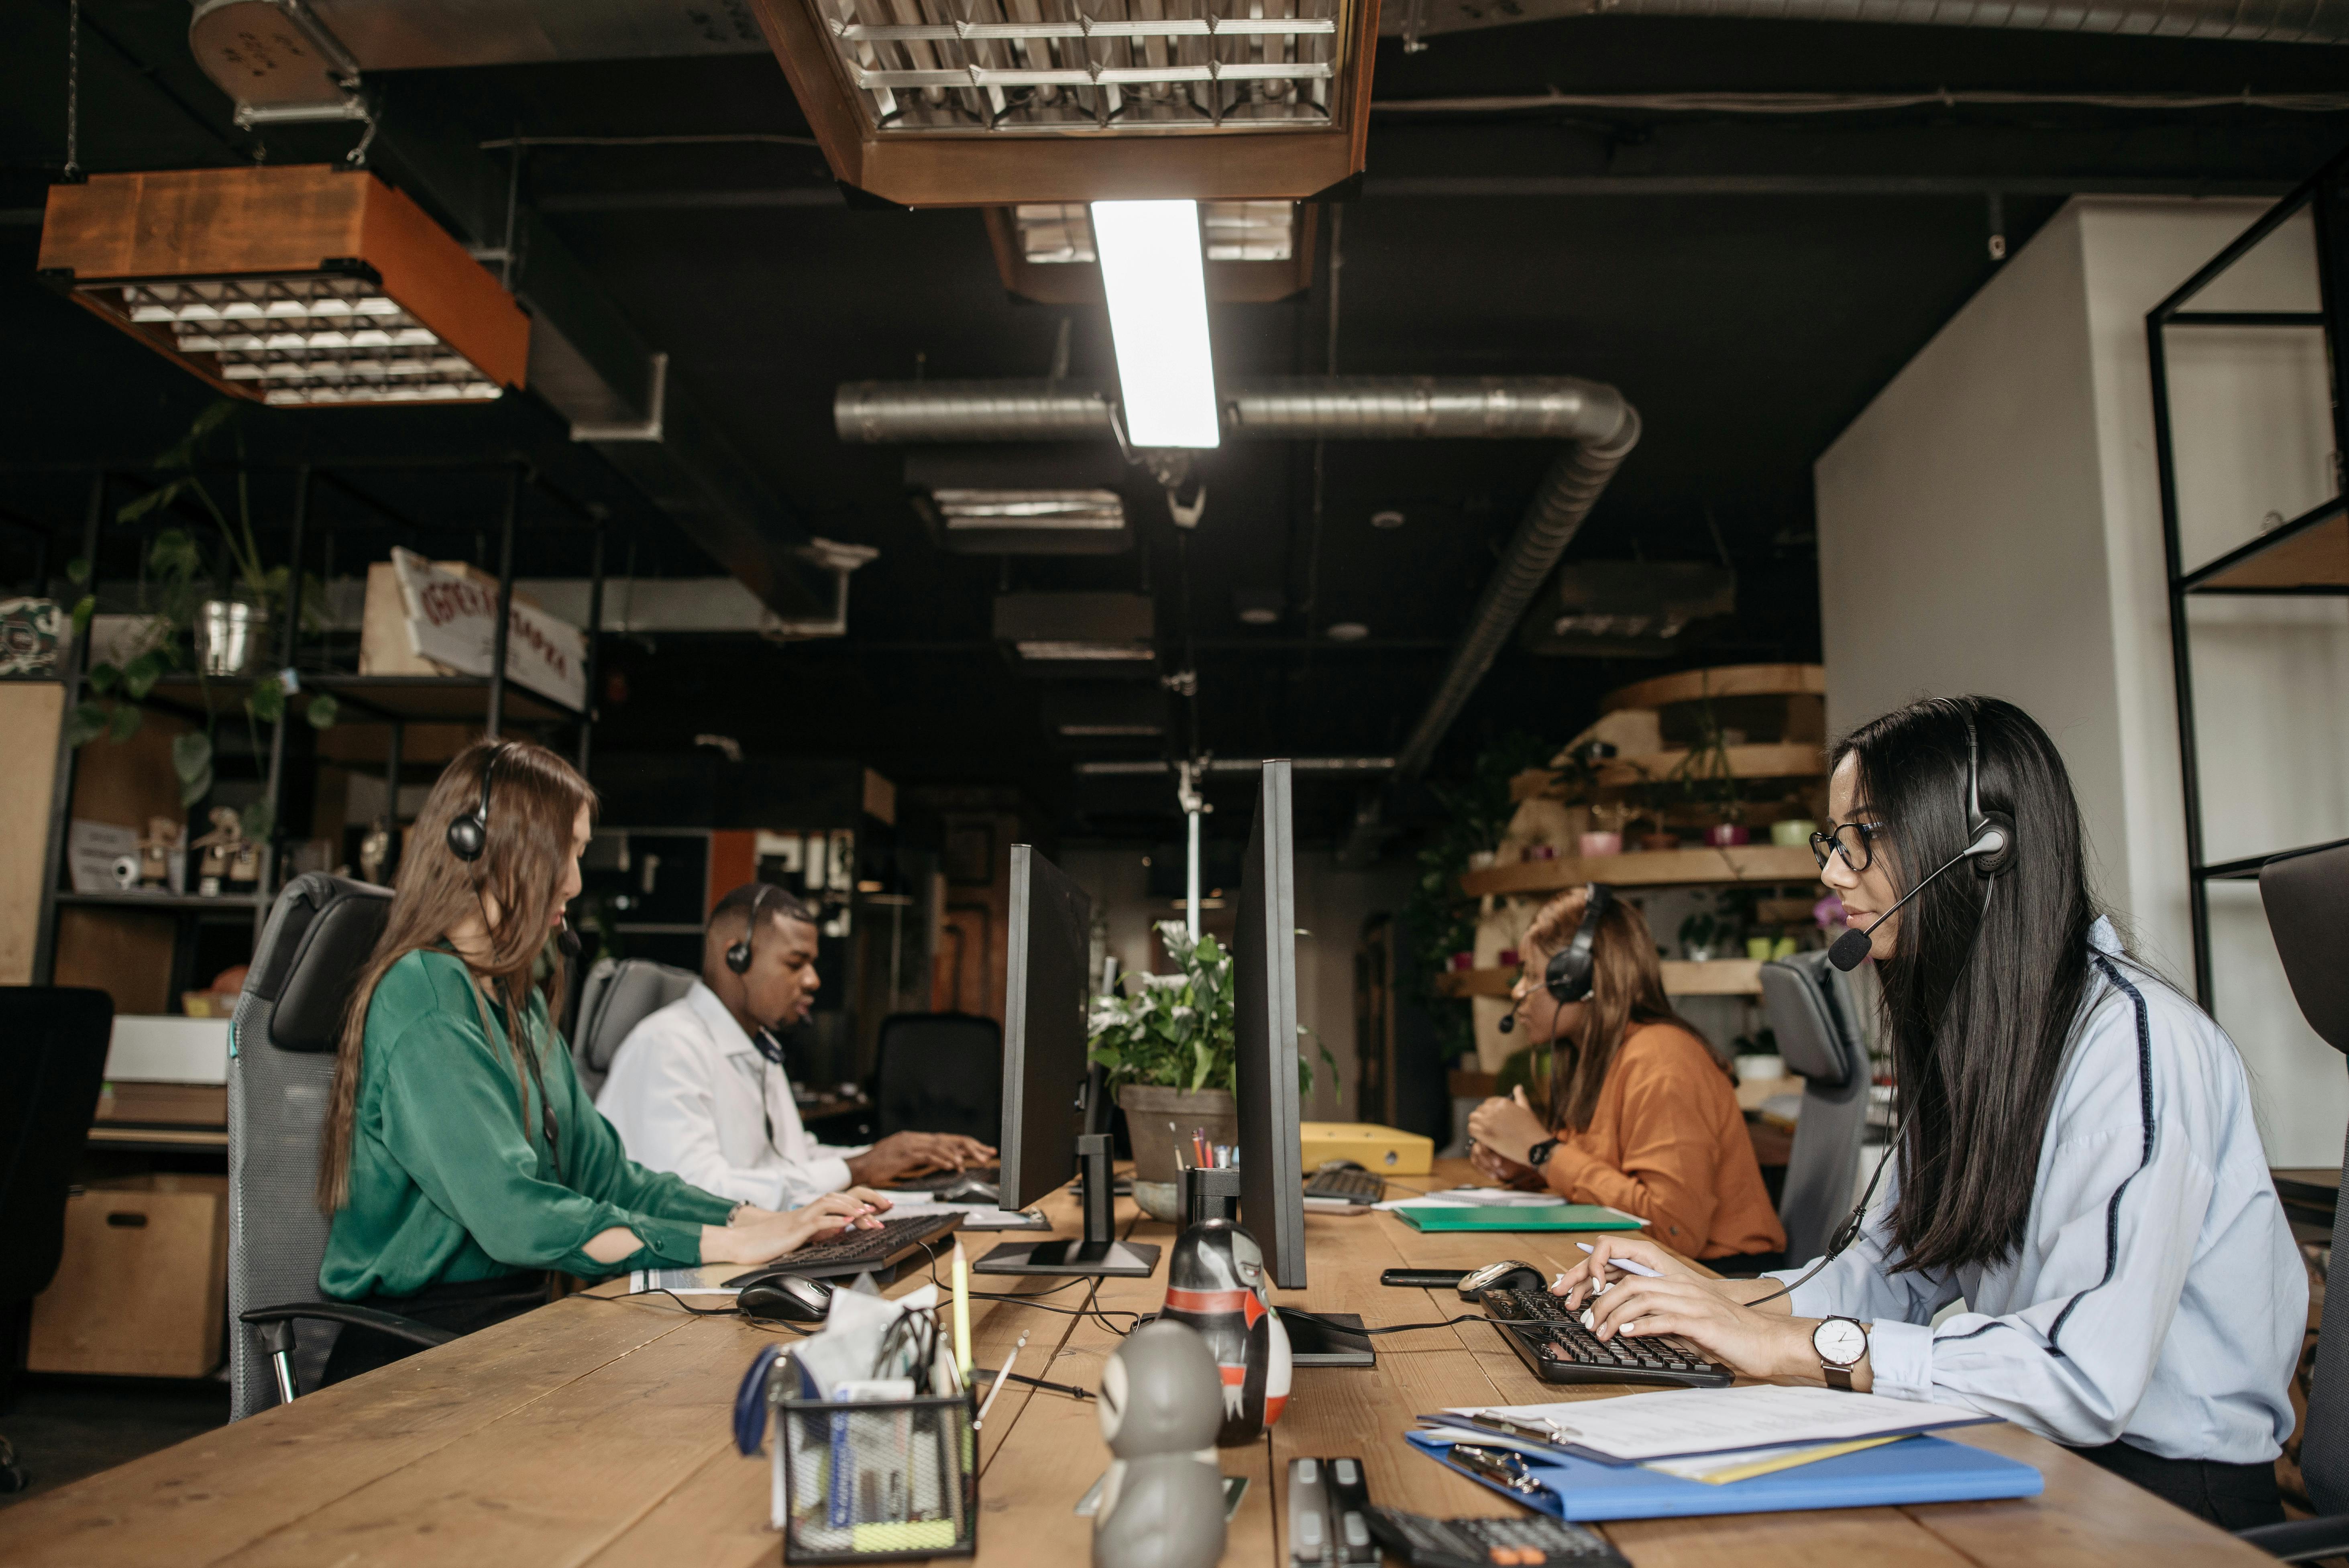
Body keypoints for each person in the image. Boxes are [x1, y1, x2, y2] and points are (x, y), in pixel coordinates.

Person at [1552, 696, 2303, 1530]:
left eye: (1864, 835)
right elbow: (1886, 1273)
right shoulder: (1980, 1040)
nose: (1833, 874)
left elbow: (2082, 1375)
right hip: (2029, 1449)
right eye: (1833, 841)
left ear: (1985, 847)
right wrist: (1707, 1299)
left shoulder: (2133, 1046)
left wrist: (1780, 1345)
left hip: (2165, 1499)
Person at [316, 739, 890, 1385]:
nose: (575, 881)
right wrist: (729, 1245)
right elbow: (515, 1217)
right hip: (413, 1353)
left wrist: (764, 1222)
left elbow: (611, 1177)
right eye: (565, 851)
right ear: (483, 845)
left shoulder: (518, 1002)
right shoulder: (424, 999)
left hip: (511, 1327)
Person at [597, 881, 996, 1209]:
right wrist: (858, 1169)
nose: (813, 980)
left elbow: (792, 1160)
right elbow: (697, 1197)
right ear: (736, 957)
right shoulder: (668, 1046)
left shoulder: (759, 1048)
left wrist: (901, 1156)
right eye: (795, 963)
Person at [1465, 886, 1786, 1271]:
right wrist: (1524, 1161)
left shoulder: (1662, 1059)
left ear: (1578, 980)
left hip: (1722, 1279)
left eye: (1531, 975)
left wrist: (1543, 1152)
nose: (1518, 991)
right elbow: (1601, 1177)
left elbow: (1674, 1230)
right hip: (1657, 1273)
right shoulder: (1599, 1058)